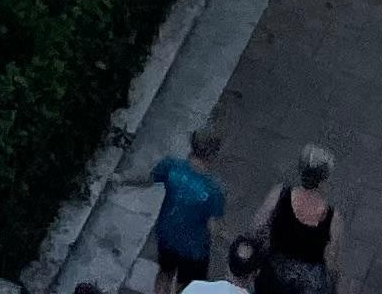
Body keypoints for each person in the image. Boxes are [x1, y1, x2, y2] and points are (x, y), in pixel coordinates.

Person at [244, 147, 338, 294]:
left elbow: (256, 227)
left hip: (272, 278)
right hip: (306, 288)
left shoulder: (279, 195)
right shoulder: (332, 218)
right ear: (324, 179)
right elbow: (332, 262)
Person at [143, 126, 226, 294]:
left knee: (165, 273)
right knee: (186, 285)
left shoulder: (172, 167)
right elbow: (213, 227)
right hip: (194, 249)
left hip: (167, 235)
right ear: (213, 154)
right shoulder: (214, 191)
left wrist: (121, 179)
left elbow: (146, 179)